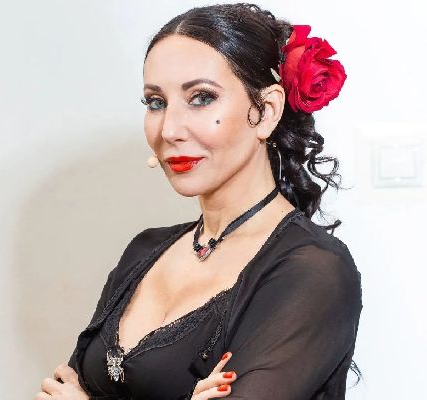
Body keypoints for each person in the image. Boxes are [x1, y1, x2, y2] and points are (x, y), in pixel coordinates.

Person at [35, 3, 363, 399]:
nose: (169, 129)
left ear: (266, 111)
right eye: (156, 102)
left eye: (201, 97)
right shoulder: (144, 251)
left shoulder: (313, 270)